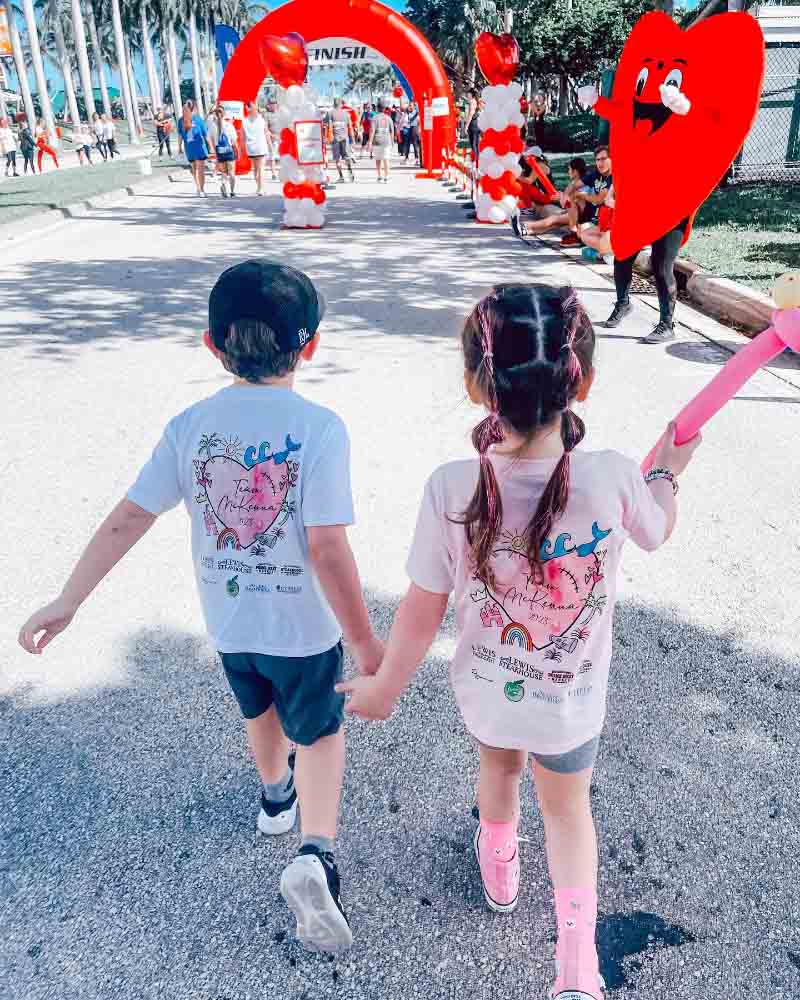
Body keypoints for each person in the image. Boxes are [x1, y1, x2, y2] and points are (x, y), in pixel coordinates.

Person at [336, 283, 700, 1000]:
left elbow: (420, 608)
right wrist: (664, 473)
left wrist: (384, 687)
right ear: (583, 381)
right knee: (568, 812)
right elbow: (656, 528)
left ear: (477, 385)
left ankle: (501, 869)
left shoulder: (451, 486)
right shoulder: (616, 476)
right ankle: (575, 967)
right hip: (569, 703)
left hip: (490, 691)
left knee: (499, 773)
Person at [18, 258, 384, 957]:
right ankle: (316, 852)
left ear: (211, 345)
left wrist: (69, 599)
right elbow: (328, 548)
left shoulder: (190, 425)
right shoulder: (320, 427)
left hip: (231, 623)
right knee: (323, 730)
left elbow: (131, 515)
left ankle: (275, 798)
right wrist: (367, 644)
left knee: (259, 712)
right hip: (304, 631)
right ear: (309, 346)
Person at [606, 214, 690, 344]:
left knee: (661, 268)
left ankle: (667, 325)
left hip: (674, 209)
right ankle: (623, 303)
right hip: (641, 208)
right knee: (622, 256)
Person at [512, 156, 590, 239]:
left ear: (575, 171)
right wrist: (562, 196)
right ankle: (526, 231)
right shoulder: (576, 182)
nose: (568, 172)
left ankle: (524, 226)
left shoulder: (580, 183)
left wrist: (563, 197)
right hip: (575, 212)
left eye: (569, 169)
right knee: (554, 224)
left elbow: (579, 200)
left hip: (580, 215)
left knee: (554, 219)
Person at [177, 100, 209, 197]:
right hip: (199, 147)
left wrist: (179, 147)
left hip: (189, 148)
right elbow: (205, 134)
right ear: (194, 108)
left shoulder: (180, 120)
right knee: (200, 170)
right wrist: (211, 146)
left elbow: (180, 136)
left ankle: (198, 188)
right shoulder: (198, 119)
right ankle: (202, 190)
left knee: (194, 169)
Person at [208, 106, 238, 198]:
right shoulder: (229, 125)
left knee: (224, 172)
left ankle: (223, 184)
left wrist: (213, 150)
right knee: (232, 172)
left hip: (219, 151)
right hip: (229, 151)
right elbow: (234, 140)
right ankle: (232, 192)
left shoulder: (212, 126)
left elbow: (210, 139)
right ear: (224, 114)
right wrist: (236, 150)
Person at [243, 101, 269, 195]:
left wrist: (242, 149)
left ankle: (258, 187)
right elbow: (266, 133)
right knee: (261, 168)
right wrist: (270, 146)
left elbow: (242, 137)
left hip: (250, 147)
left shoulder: (244, 121)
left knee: (255, 168)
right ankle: (261, 188)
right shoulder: (262, 120)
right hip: (261, 146)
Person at [327, 97, 355, 184]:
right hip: (345, 138)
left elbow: (327, 124)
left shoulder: (330, 113)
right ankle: (350, 172)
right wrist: (352, 139)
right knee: (347, 156)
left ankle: (341, 176)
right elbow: (350, 127)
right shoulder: (346, 114)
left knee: (337, 158)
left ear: (334, 104)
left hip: (335, 138)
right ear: (341, 104)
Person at [368, 99, 395, 183]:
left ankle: (379, 176)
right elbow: (392, 131)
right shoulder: (388, 118)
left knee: (378, 159)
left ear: (377, 108)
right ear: (384, 108)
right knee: (386, 159)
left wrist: (370, 142)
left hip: (377, 141)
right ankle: (386, 177)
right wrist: (392, 141)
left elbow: (372, 130)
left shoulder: (374, 118)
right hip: (386, 142)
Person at [404, 101, 421, 166]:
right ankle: (406, 158)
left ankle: (416, 159)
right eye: (409, 105)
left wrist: (416, 103)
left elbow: (418, 108)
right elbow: (402, 107)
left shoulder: (416, 112)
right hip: (408, 128)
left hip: (414, 128)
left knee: (415, 144)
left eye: (411, 105)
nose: (410, 106)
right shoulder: (407, 112)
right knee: (407, 144)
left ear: (414, 106)